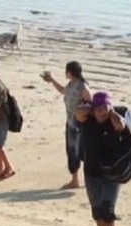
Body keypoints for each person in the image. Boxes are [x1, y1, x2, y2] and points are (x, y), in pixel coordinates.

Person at [75, 91, 128, 226]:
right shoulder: (88, 121)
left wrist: (109, 111)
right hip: (91, 173)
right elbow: (78, 112)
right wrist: (93, 109)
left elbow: (121, 126)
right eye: (99, 108)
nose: (101, 111)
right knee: (97, 212)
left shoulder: (114, 121)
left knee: (108, 211)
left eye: (105, 107)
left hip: (112, 174)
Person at [40, 61, 93, 189]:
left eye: (66, 71)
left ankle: (91, 179)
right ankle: (75, 180)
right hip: (70, 123)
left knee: (84, 152)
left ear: (70, 72)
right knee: (71, 151)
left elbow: (91, 105)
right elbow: (63, 91)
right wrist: (52, 80)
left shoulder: (83, 87)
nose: (65, 73)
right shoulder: (71, 84)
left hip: (81, 125)